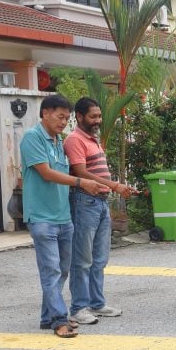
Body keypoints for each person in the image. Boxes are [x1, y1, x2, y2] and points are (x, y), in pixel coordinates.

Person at [20, 94, 108, 337]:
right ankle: (59, 320)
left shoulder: (58, 141)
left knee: (63, 270)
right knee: (51, 271)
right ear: (45, 113)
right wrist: (82, 182)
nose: (63, 122)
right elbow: (46, 173)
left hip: (63, 217)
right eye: (60, 117)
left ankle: (47, 317)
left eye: (66, 118)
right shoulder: (32, 138)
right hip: (42, 218)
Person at [64, 97, 135, 325]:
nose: (98, 120)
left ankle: (97, 303)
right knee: (83, 258)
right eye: (93, 116)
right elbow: (80, 172)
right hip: (85, 201)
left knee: (99, 258)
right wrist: (114, 185)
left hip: (100, 202)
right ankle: (79, 307)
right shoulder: (75, 140)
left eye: (99, 116)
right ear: (79, 116)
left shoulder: (92, 140)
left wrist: (111, 187)